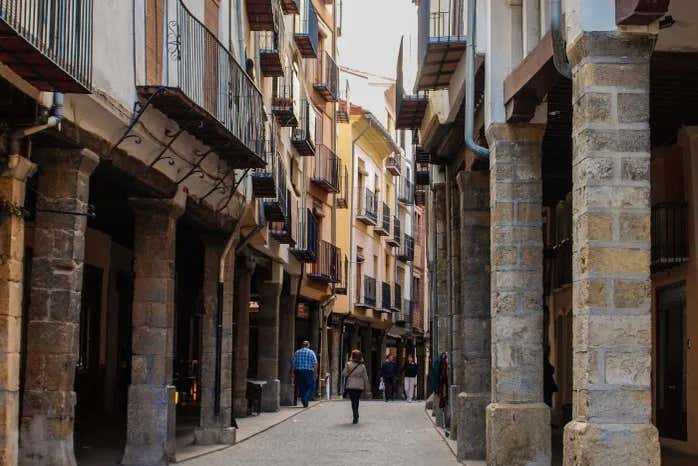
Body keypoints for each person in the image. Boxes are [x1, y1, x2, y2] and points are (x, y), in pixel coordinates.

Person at [342, 349, 370, 424]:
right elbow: (365, 377)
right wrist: (367, 388)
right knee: (356, 400)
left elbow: (344, 374)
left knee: (353, 401)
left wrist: (349, 374)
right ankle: (356, 414)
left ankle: (355, 415)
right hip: (359, 386)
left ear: (352, 356)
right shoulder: (362, 366)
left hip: (350, 385)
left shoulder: (348, 364)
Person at [292, 340, 317, 408]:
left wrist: (292, 373)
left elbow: (293, 364)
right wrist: (315, 373)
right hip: (308, 372)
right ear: (308, 345)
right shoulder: (311, 352)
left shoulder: (297, 352)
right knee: (310, 386)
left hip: (299, 371)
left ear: (302, 345)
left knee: (301, 386)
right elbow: (315, 363)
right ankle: (305, 397)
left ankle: (304, 400)